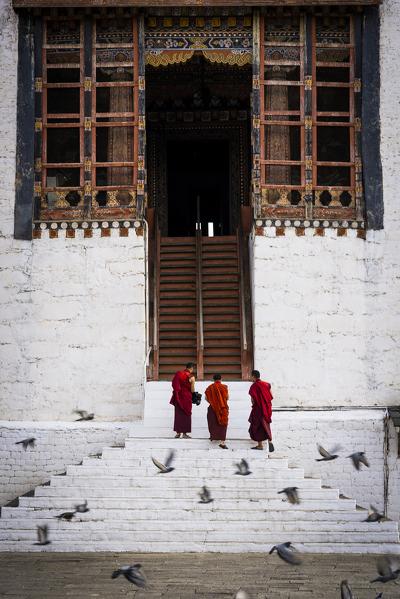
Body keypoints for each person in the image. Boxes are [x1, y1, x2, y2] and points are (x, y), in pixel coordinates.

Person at [248, 369, 274, 451]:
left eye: (251, 376)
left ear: (253, 376)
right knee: (266, 424)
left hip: (258, 409)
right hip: (267, 408)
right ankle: (270, 440)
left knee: (257, 426)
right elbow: (271, 396)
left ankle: (260, 445)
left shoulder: (254, 386)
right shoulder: (267, 384)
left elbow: (253, 399)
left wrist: (255, 404)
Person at [170, 363, 195, 439]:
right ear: (191, 368)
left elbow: (174, 384)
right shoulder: (191, 377)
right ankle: (184, 433)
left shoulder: (178, 374)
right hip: (186, 397)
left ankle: (178, 433)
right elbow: (192, 390)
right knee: (186, 414)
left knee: (178, 415)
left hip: (178, 397)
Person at [205, 374, 229, 449]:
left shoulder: (210, 387)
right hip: (222, 408)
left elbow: (206, 398)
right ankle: (222, 442)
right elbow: (227, 397)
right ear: (221, 379)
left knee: (213, 422)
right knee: (223, 423)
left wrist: (213, 402)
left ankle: (213, 436)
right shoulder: (224, 387)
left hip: (213, 408)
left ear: (213, 379)